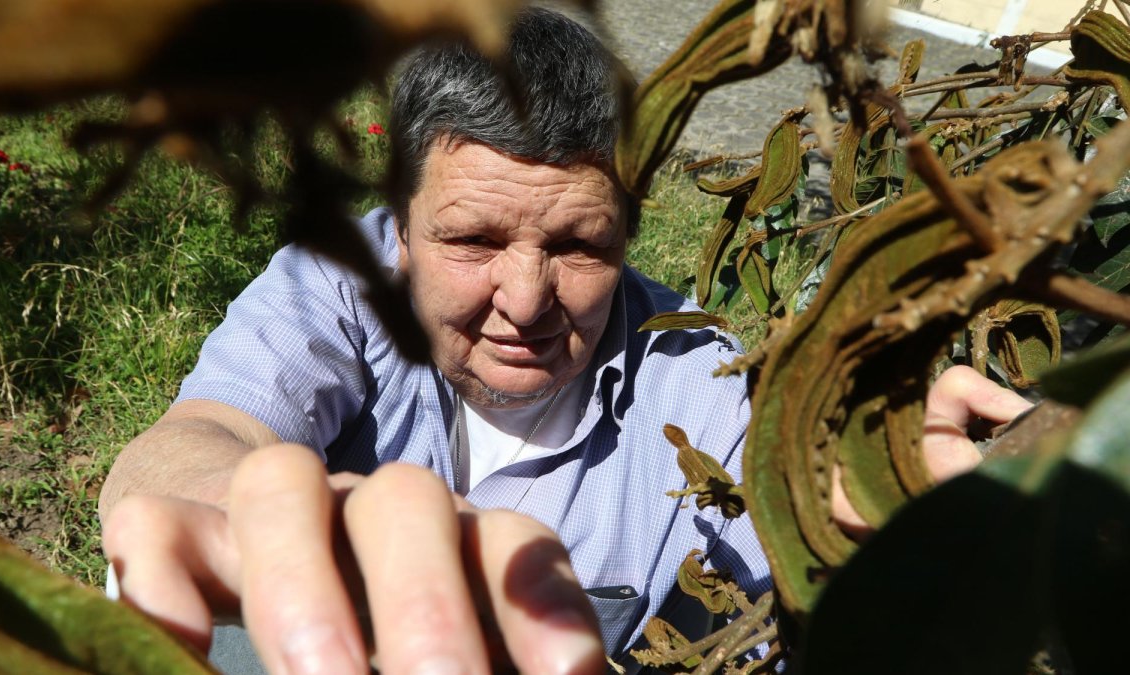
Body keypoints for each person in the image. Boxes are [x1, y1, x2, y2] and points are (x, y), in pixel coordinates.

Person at [98, 8, 1032, 675]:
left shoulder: (691, 368)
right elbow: (187, 447)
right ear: (401, 221)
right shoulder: (338, 282)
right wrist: (275, 514)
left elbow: (786, 500)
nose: (526, 299)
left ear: (628, 232)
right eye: (472, 241)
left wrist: (870, 478)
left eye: (580, 246)